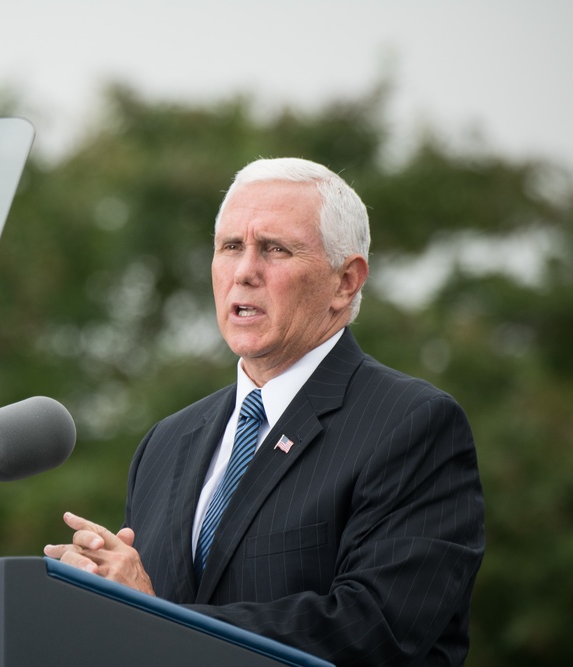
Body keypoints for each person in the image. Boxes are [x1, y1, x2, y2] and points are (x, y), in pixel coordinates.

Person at [44, 157, 484, 665]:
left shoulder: (412, 424)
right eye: (231, 247)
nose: (245, 271)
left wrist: (156, 615)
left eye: (275, 249)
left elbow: (375, 629)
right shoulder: (165, 443)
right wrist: (99, 597)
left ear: (346, 282)